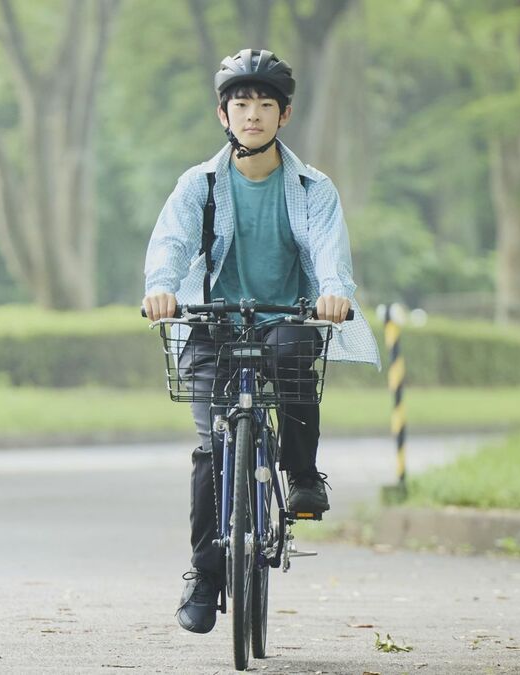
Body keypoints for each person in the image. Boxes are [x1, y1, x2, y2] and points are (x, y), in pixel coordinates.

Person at [140, 48, 381, 635]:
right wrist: (160, 289)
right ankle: (204, 572)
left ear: (284, 116)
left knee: (297, 357)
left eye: (265, 104)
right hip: (210, 321)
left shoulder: (312, 186)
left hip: (284, 317)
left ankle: (301, 474)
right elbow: (171, 244)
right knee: (208, 449)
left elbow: (329, 251)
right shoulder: (199, 183)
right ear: (223, 115)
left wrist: (333, 293)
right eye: (241, 103)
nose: (252, 114)